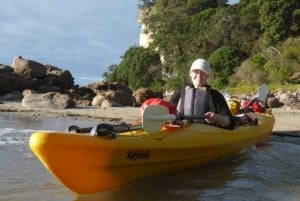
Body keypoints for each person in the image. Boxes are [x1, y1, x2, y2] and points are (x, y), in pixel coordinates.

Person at [170, 58, 236, 129]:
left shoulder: (215, 95)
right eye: (196, 72)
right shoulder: (178, 94)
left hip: (207, 134)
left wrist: (217, 118)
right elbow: (166, 116)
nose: (199, 75)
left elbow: (230, 122)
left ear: (207, 76)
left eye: (203, 72)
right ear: (190, 74)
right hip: (183, 132)